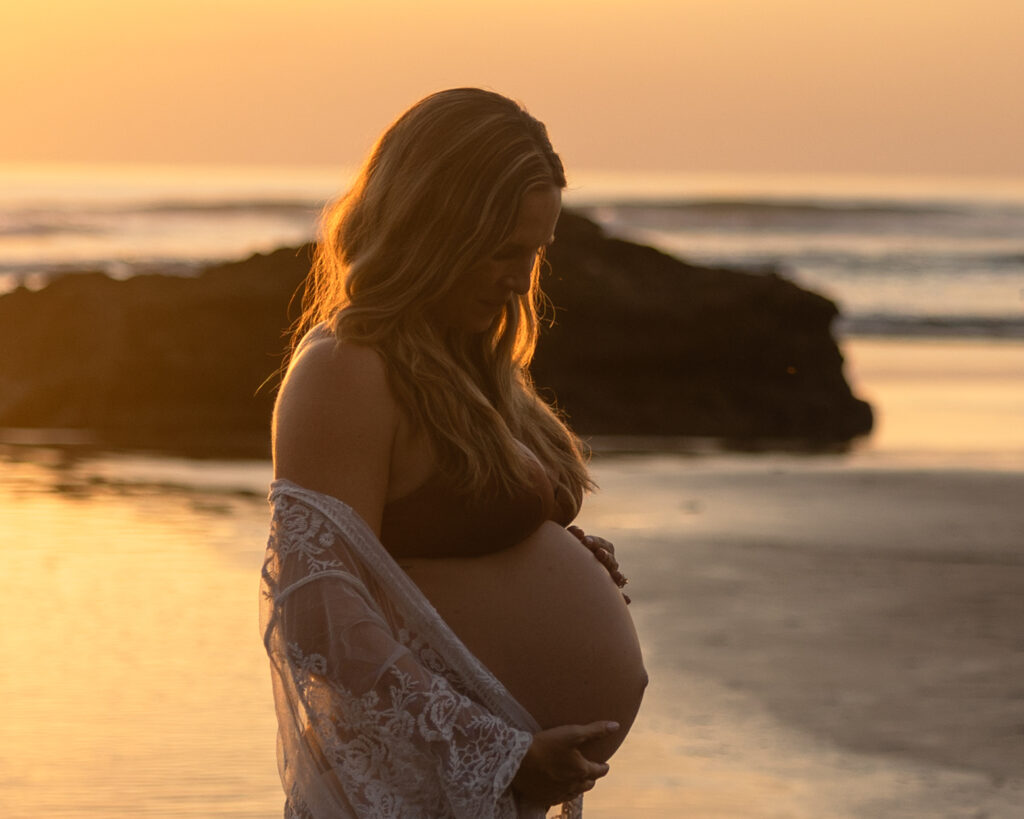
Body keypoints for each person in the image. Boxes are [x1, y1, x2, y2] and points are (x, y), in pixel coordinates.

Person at [261, 88, 646, 818]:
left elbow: (429, 558)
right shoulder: (346, 369)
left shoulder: (467, 367)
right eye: (502, 251)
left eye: (535, 253)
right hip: (417, 790)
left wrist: (556, 552)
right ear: (433, 229)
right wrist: (495, 753)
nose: (519, 279)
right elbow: (318, 611)